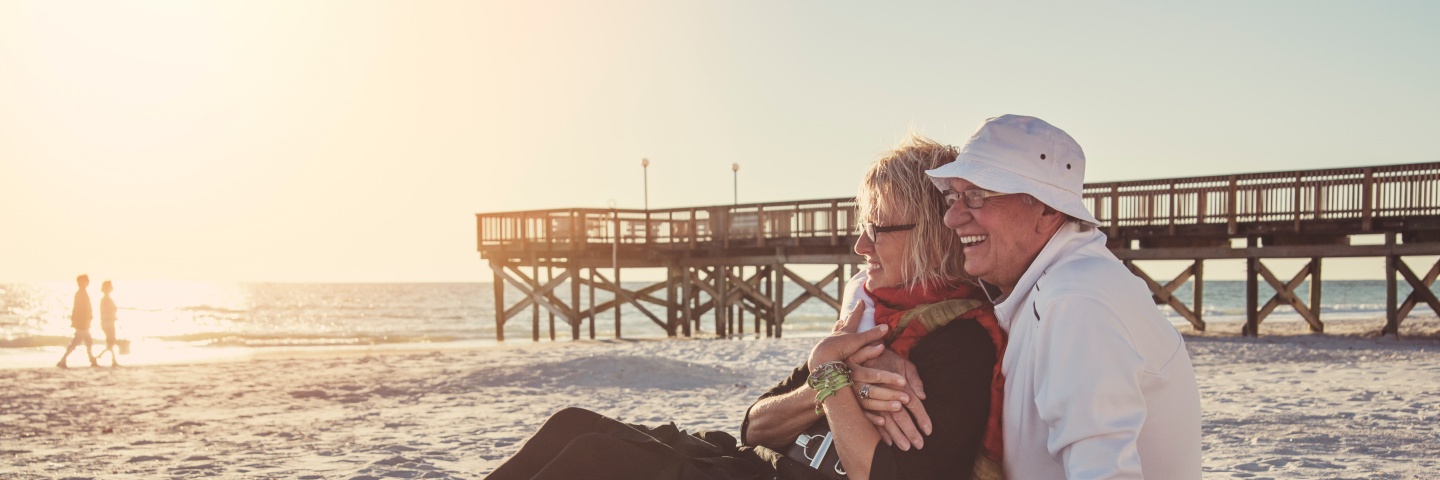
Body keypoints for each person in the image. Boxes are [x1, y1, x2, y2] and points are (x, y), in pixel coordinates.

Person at [483, 135, 1005, 480]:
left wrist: (831, 376)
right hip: (742, 462)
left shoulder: (958, 343)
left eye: (878, 228)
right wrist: (835, 380)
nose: (860, 245)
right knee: (572, 423)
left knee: (592, 459)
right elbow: (753, 426)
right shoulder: (872, 317)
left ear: (932, 234)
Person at [925, 115, 1202, 479]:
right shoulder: (1063, 284)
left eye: (976, 196)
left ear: (1048, 209)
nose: (952, 217)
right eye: (953, 196)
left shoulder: (1075, 300)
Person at [57, 274, 99, 368]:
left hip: (84, 323)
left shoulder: (82, 293)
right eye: (86, 281)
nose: (88, 282)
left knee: (88, 342)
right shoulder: (81, 293)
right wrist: (82, 321)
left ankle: (91, 359)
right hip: (82, 324)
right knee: (77, 343)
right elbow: (79, 309)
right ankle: (63, 360)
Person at [93, 280, 121, 367]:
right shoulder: (106, 299)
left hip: (108, 322)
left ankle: (112, 359)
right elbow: (106, 311)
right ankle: (100, 356)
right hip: (108, 323)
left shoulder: (106, 299)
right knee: (111, 342)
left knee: (110, 342)